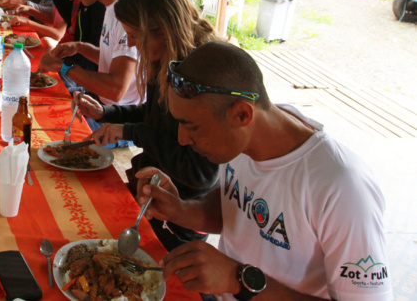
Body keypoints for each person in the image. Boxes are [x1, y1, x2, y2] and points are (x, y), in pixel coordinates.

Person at [137, 41, 392, 300]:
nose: (182, 139)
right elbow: (238, 210)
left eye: (192, 126)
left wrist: (239, 279)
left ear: (242, 115)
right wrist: (181, 210)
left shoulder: (341, 187)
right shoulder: (241, 141)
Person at [79, 0, 220, 250]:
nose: (131, 44)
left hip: (182, 213)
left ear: (162, 30)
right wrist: (107, 112)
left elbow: (201, 174)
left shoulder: (201, 76)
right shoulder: (164, 59)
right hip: (152, 189)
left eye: (134, 35)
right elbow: (152, 113)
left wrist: (132, 132)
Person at [39, 0, 141, 107]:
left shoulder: (127, 13)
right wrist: (80, 47)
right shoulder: (111, 5)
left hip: (121, 114)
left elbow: (116, 90)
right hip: (102, 102)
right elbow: (113, 59)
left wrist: (64, 67)